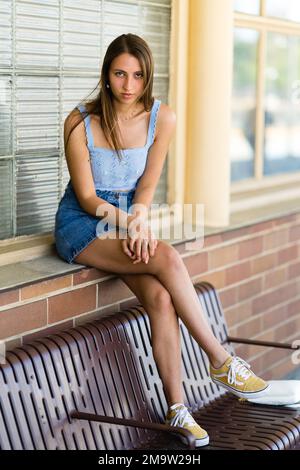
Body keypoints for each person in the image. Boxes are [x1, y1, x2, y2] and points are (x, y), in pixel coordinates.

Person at [54, 33, 269, 448]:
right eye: (119, 73)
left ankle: (177, 409)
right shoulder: (79, 121)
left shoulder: (161, 117)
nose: (128, 85)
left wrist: (137, 219)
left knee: (161, 297)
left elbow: (147, 186)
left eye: (137, 75)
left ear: (147, 76)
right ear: (107, 73)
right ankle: (221, 360)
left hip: (127, 220)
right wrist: (131, 225)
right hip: (82, 223)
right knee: (167, 257)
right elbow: (85, 196)